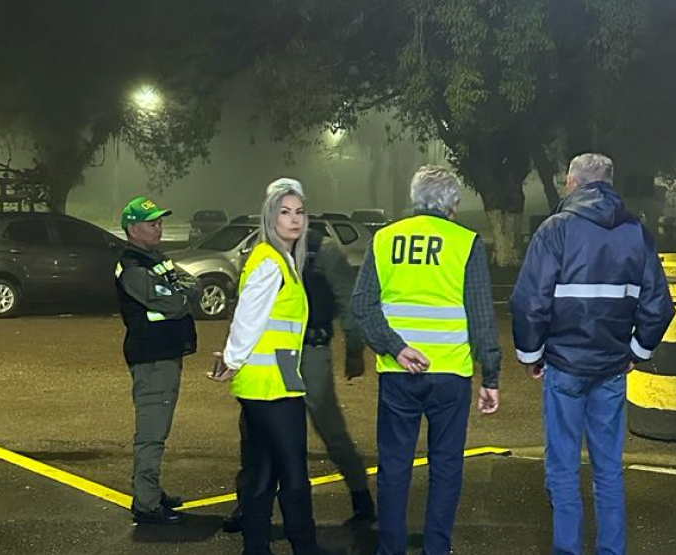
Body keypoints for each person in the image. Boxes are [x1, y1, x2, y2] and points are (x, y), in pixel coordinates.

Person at [510, 153, 675, 555]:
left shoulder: (555, 230)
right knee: (608, 471)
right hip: (613, 367)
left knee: (564, 470)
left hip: (564, 365)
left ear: (571, 183)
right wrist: (636, 350)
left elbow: (529, 302)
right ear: (610, 183)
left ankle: (568, 549)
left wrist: (531, 355)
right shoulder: (637, 231)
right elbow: (659, 305)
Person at [351, 165, 502, 555]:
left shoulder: (385, 239)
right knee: (446, 466)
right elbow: (482, 315)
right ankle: (437, 548)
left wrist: (396, 347)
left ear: (415, 198)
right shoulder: (466, 242)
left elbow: (362, 306)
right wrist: (492, 376)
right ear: (452, 202)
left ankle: (391, 549)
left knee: (395, 468)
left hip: (398, 374)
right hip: (450, 374)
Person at [222, 225, 375, 533]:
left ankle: (360, 496)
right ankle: (250, 505)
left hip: (309, 351)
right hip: (270, 354)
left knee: (328, 427)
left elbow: (347, 297)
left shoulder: (323, 249)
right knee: (256, 433)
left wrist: (355, 347)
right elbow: (245, 304)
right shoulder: (261, 247)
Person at [210, 178, 322, 555]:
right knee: (292, 474)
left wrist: (234, 360)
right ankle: (304, 547)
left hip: (268, 383)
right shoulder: (270, 262)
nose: (294, 220)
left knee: (262, 470)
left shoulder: (282, 259)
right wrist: (232, 358)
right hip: (271, 387)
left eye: (299, 212)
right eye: (284, 212)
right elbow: (247, 317)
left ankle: (255, 548)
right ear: (270, 217)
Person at [115, 196, 199, 525]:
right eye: (153, 223)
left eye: (161, 222)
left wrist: (179, 294)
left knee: (158, 428)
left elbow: (190, 285)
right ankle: (147, 503)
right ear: (133, 229)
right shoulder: (133, 267)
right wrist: (178, 295)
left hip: (165, 353)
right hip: (152, 358)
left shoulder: (154, 259)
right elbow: (177, 302)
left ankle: (150, 490)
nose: (159, 228)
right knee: (152, 431)